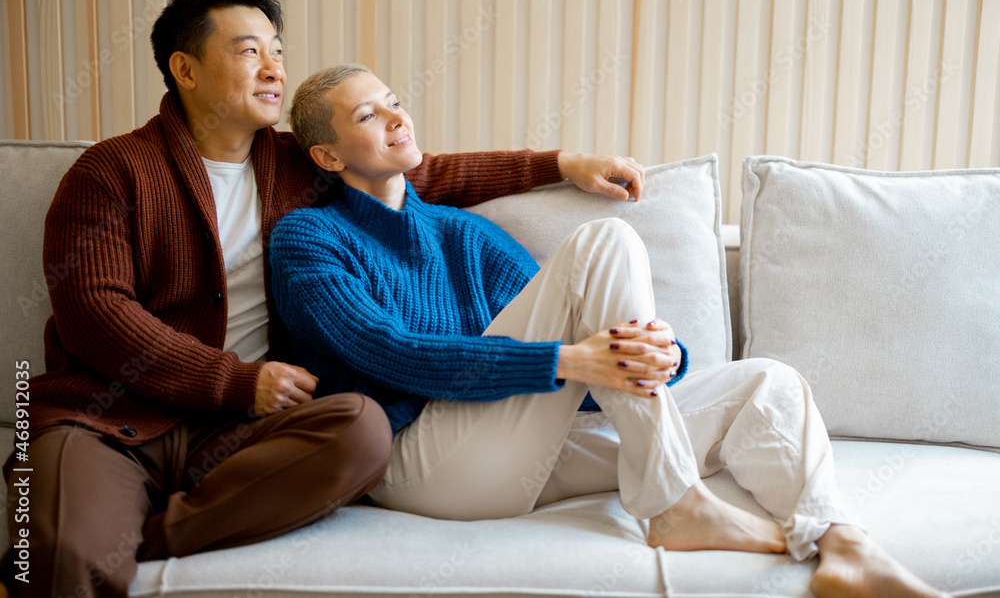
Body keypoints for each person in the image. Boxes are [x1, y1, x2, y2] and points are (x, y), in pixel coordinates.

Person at [0, 0, 644, 597]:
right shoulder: (110, 170)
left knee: (364, 428)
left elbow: (424, 174)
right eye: (249, 52)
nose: (275, 69)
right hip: (105, 420)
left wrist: (561, 165)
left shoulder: (296, 163)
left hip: (242, 434)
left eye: (277, 53)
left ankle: (143, 536)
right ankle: (100, 535)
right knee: (63, 562)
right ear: (185, 69)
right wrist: (236, 380)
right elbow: (95, 312)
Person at [269, 63, 946, 598]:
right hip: (416, 460)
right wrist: (567, 361)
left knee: (769, 381)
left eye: (393, 99)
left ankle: (843, 544)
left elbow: (595, 347)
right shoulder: (308, 239)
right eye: (368, 113)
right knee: (605, 243)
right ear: (327, 156)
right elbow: (387, 352)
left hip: (518, 447)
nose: (396, 116)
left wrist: (661, 356)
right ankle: (674, 501)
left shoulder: (465, 234)